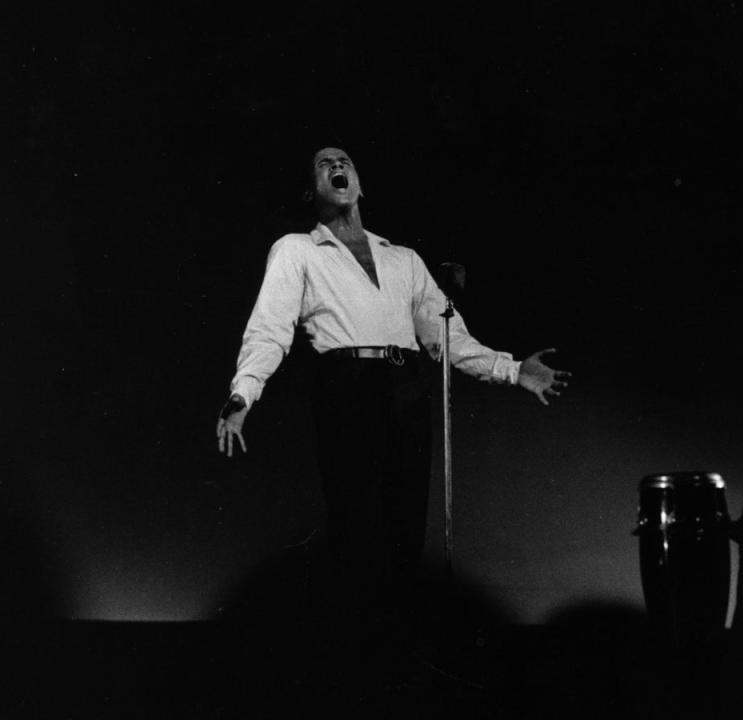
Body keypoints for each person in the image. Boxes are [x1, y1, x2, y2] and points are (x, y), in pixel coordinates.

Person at [216, 146, 570, 605]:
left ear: (361, 185)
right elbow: (268, 330)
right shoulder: (297, 250)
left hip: (405, 386)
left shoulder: (403, 259)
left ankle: (404, 641)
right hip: (346, 386)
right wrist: (242, 396)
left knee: (405, 526)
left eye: (344, 161)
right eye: (325, 164)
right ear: (312, 191)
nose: (337, 167)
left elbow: (448, 337)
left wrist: (513, 369)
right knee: (356, 522)